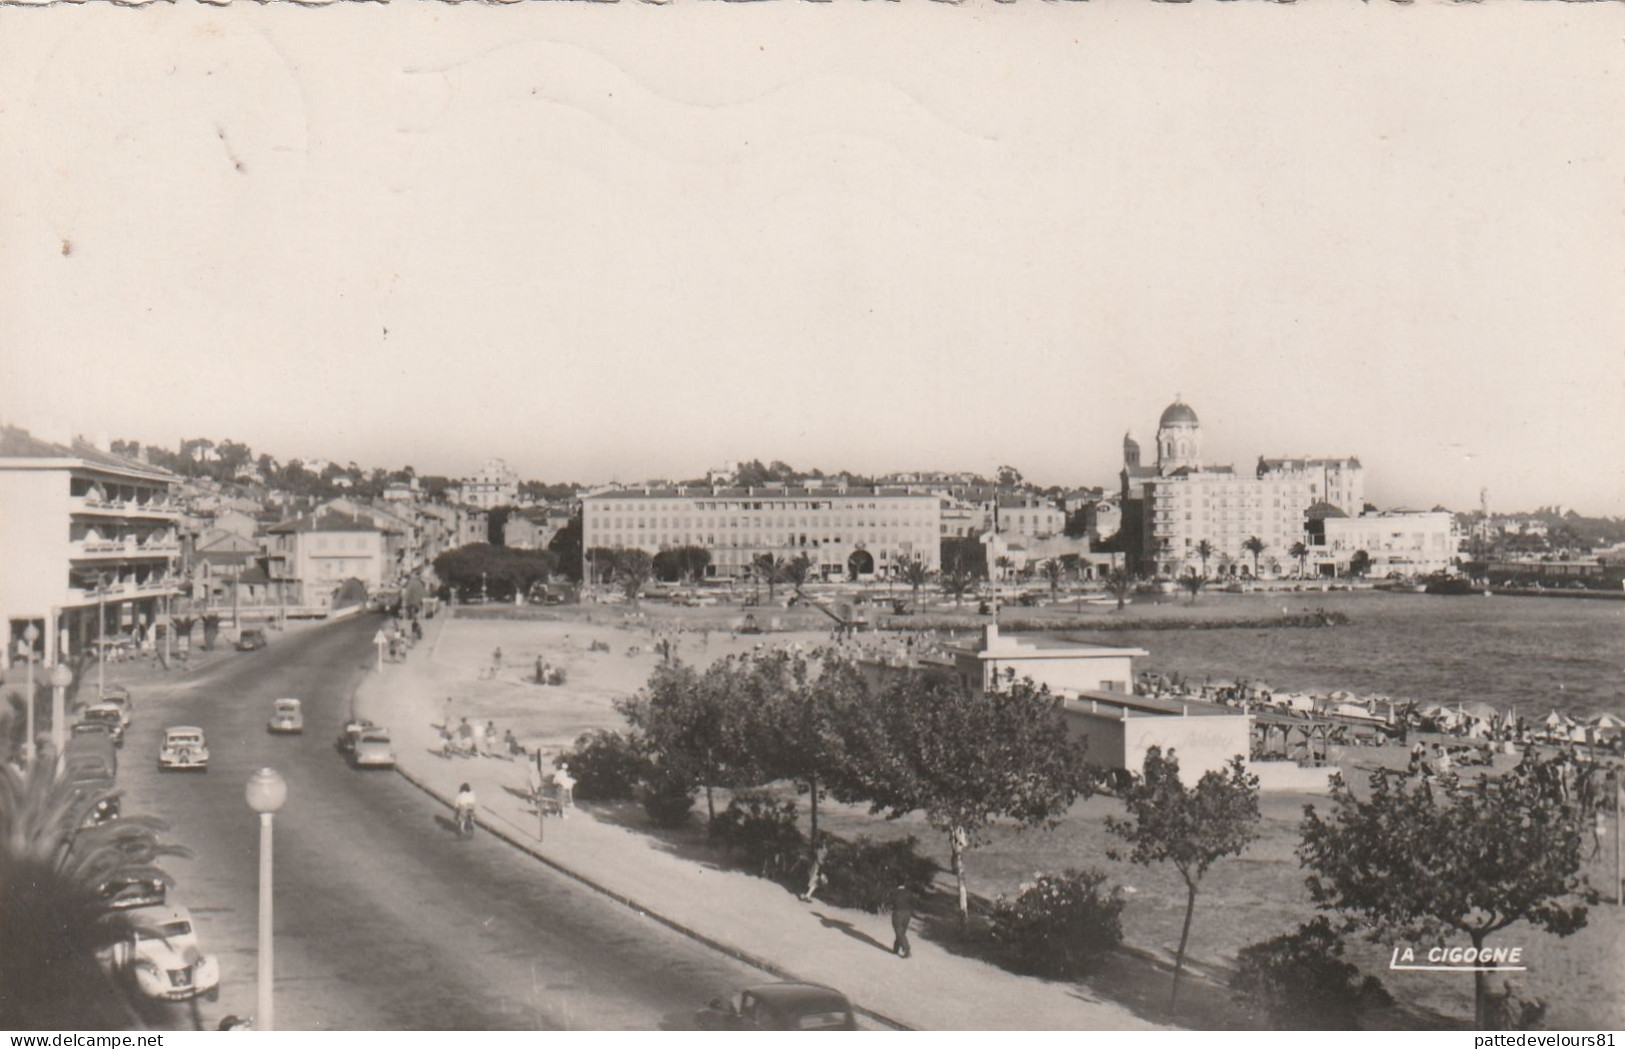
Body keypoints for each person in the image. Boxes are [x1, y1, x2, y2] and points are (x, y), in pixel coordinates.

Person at [888, 883, 915, 958]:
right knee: (902, 932)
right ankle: (896, 949)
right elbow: (913, 902)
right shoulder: (909, 893)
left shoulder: (895, 892)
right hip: (907, 914)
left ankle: (906, 949)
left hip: (898, 913)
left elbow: (890, 902)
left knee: (899, 931)